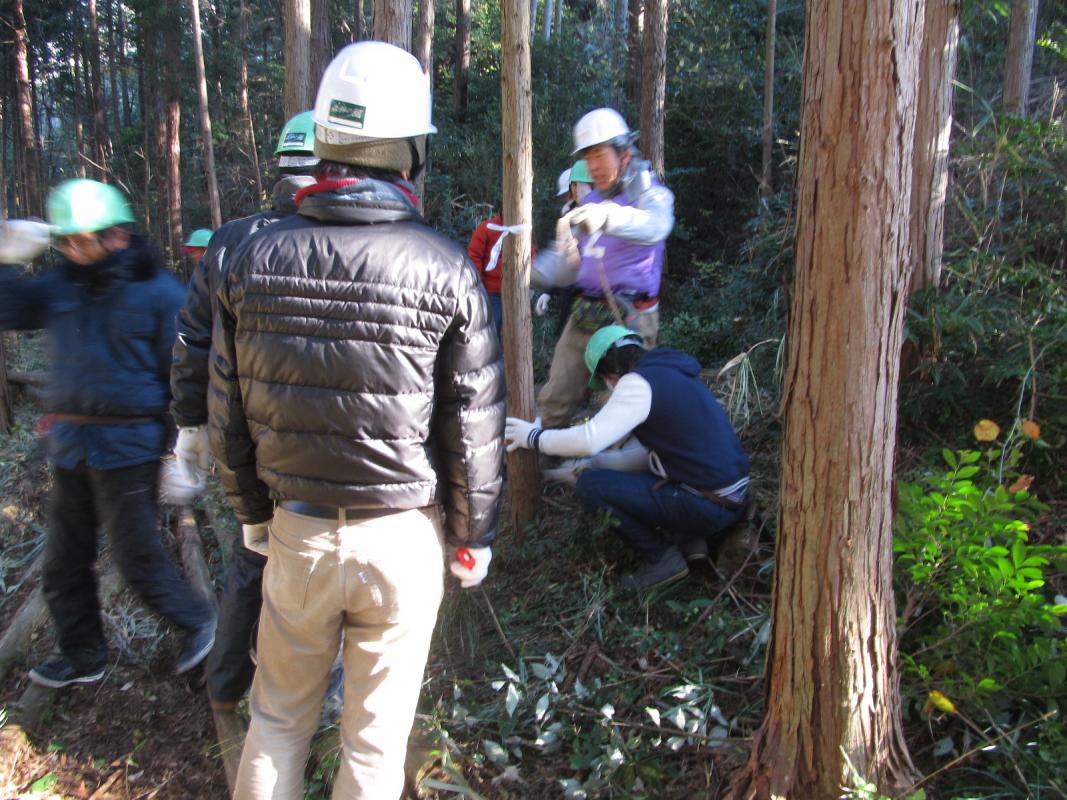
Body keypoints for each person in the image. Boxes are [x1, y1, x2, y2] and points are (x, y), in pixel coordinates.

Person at [211, 41, 504, 799]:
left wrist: (251, 514)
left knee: (276, 722)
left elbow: (228, 410)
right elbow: (471, 421)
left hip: (297, 532)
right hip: (402, 538)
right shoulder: (446, 269)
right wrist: (473, 536)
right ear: (409, 150)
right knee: (373, 751)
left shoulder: (250, 258)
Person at [0, 179, 216, 688]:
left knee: (137, 556)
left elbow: (186, 372)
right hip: (73, 447)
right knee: (63, 563)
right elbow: (10, 311)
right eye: (68, 243)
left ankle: (199, 622)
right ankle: (84, 656)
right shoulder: (61, 287)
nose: (75, 251)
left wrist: (187, 446)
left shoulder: (159, 292)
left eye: (86, 240)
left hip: (130, 447)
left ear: (117, 235)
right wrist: (7, 261)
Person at [169, 110, 319, 713]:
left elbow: (192, 341)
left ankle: (227, 679)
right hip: (307, 443)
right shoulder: (333, 243)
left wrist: (189, 424)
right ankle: (295, 698)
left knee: (253, 552)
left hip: (245, 435)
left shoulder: (233, 240)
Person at [504, 325, 749, 591]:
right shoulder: (672, 372)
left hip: (709, 504)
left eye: (606, 383)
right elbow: (649, 456)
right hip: (731, 497)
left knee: (593, 487)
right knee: (612, 475)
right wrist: (594, 463)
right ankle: (692, 541)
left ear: (611, 374)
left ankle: (662, 559)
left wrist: (535, 438)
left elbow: (590, 439)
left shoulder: (637, 384)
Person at [533, 108, 675, 429]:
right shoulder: (589, 203)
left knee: (622, 410)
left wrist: (608, 216)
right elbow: (568, 265)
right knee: (555, 397)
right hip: (585, 312)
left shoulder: (652, 196)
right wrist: (531, 274)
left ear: (624, 153)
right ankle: (538, 460)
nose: (592, 166)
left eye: (599, 154)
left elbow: (655, 226)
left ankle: (608, 473)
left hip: (629, 316)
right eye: (587, 157)